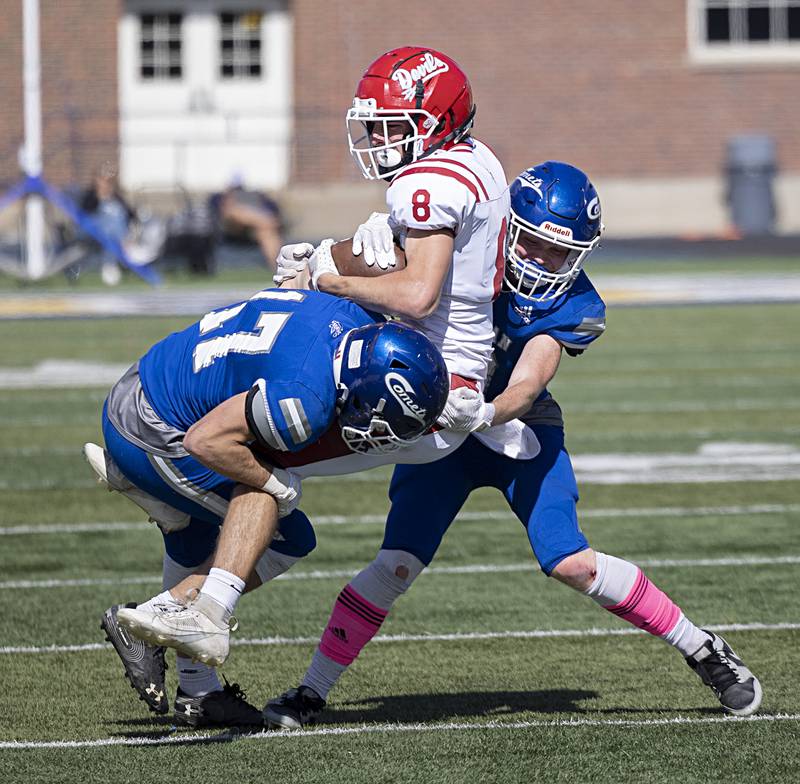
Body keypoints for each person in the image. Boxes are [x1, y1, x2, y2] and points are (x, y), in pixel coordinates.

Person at [263, 162, 763, 729]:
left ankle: (702, 648)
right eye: (539, 244)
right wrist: (344, 254)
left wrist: (486, 410)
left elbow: (527, 382)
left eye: (563, 252)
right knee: (394, 565)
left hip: (510, 424)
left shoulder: (572, 303)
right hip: (439, 428)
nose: (548, 262)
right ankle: (311, 690)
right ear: (509, 224)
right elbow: (402, 282)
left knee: (570, 561)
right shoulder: (469, 248)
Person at [112, 45, 529, 680]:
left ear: (436, 121)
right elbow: (416, 266)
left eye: (395, 125)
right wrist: (327, 256)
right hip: (421, 359)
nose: (381, 139)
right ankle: (191, 649)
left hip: (419, 384)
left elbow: (416, 290)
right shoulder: (475, 160)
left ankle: (187, 605)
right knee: (247, 466)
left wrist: (327, 279)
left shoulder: (428, 181)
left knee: (262, 463)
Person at [85, 288, 450, 727]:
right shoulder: (305, 401)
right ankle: (167, 614)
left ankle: (199, 693)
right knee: (276, 512)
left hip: (145, 383)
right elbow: (206, 441)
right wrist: (275, 482)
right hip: (152, 427)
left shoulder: (351, 314)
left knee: (200, 532)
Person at [80, 165, 135, 286]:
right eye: (101, 180)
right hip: (97, 230)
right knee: (111, 222)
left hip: (114, 233)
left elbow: (130, 214)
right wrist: (99, 197)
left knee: (116, 218)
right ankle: (122, 251)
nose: (104, 184)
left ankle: (118, 252)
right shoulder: (90, 197)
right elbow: (85, 213)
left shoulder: (116, 197)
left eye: (107, 181)